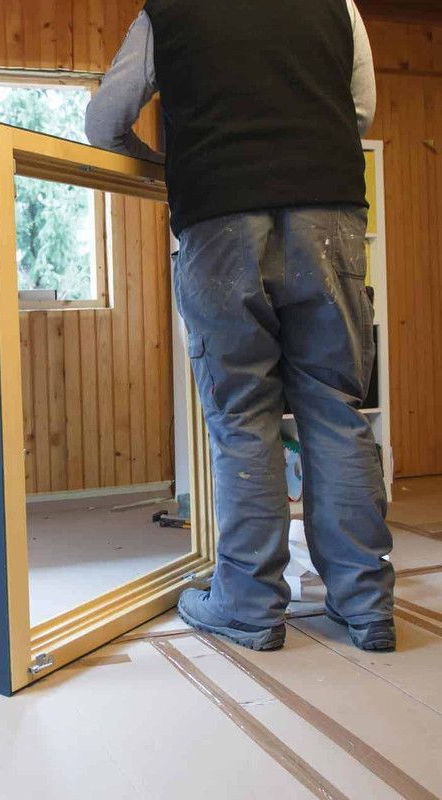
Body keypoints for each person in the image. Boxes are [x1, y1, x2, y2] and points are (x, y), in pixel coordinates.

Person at [85, 0, 394, 652]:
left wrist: (174, 167)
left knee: (243, 413)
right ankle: (366, 607)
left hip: (220, 215)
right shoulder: (336, 5)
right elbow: (359, 110)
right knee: (335, 407)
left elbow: (105, 122)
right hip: (329, 212)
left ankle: (250, 606)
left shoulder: (169, 9)